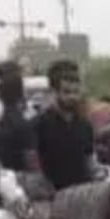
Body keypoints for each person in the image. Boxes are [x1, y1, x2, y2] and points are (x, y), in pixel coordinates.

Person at [34, 60, 95, 190]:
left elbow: (89, 159)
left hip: (81, 194)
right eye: (66, 92)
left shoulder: (85, 125)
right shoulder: (40, 124)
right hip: (52, 196)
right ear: (55, 92)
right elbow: (33, 162)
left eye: (75, 92)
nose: (72, 97)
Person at [0, 70, 39, 172]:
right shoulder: (24, 126)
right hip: (24, 183)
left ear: (0, 96)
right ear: (21, 94)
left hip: (6, 181)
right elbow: (32, 163)